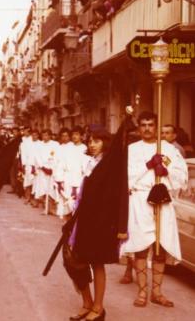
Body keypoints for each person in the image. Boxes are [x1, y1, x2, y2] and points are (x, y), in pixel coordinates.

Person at [121, 112, 188, 308]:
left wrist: (165, 171)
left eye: (151, 125)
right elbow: (125, 177)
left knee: (160, 248)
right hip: (141, 200)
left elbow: (181, 176)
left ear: (156, 126)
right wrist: (148, 165)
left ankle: (157, 292)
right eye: (143, 125)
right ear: (138, 128)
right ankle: (142, 291)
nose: (147, 128)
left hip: (163, 199)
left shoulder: (167, 149)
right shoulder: (132, 149)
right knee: (141, 247)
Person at [67, 129, 111, 321]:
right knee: (73, 259)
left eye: (97, 141)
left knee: (96, 262)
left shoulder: (109, 165)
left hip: (99, 219)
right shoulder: (89, 162)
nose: (92, 144)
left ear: (105, 143)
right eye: (90, 141)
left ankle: (98, 307)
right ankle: (87, 302)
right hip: (81, 217)